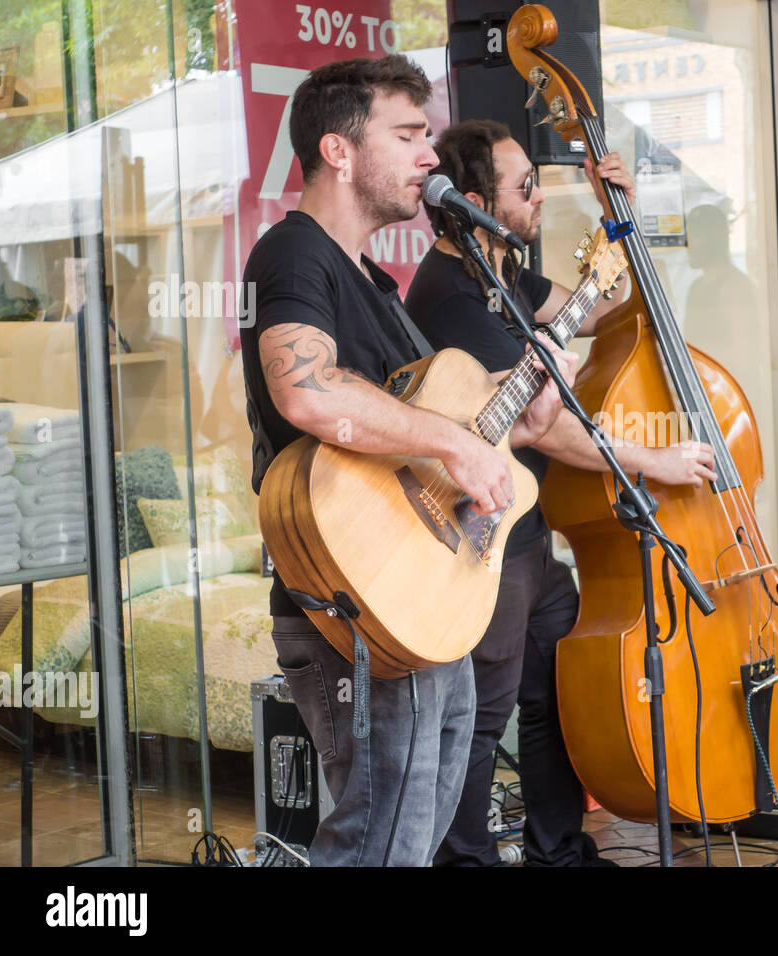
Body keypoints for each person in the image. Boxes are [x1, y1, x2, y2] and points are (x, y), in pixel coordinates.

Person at [240, 56, 574, 866]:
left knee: (411, 841)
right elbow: (309, 394)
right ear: (340, 152)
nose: (431, 156)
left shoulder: (377, 285)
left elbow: (429, 427)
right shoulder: (294, 256)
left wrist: (516, 403)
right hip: (356, 600)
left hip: (419, 597)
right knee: (379, 841)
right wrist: (457, 442)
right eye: (410, 134)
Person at [405, 119, 717, 866]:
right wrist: (651, 460)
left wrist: (626, 225)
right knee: (481, 715)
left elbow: (605, 312)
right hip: (482, 538)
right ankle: (465, 861)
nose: (539, 197)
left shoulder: (501, 275)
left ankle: (557, 852)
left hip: (529, 530)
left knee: (550, 698)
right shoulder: (448, 296)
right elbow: (539, 428)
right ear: (475, 202)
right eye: (525, 187)